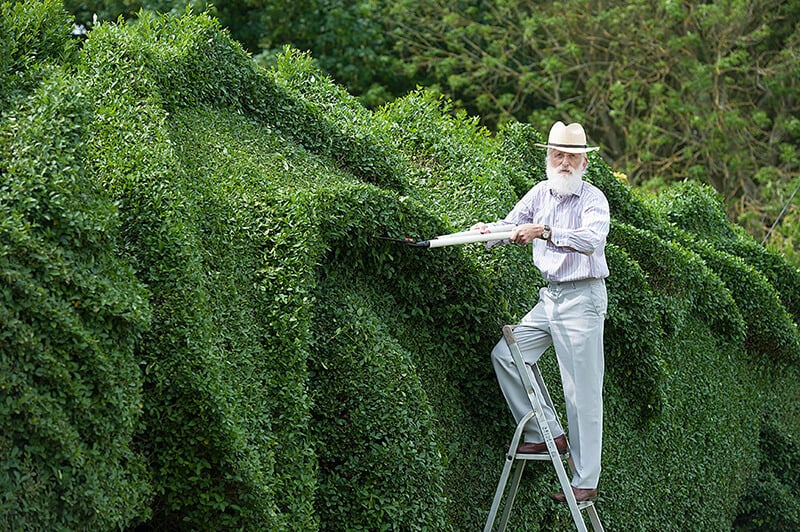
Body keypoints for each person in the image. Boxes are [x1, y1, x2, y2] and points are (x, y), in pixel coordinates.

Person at [472, 121, 609, 503]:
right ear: (549, 158)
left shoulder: (593, 200)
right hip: (550, 298)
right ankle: (546, 432)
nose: (564, 162)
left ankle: (585, 481)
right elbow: (512, 225)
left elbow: (591, 240)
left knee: (580, 392)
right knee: (507, 355)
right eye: (558, 155)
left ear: (583, 162)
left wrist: (545, 232)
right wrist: (489, 231)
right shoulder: (539, 192)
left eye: (571, 157)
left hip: (583, 298)